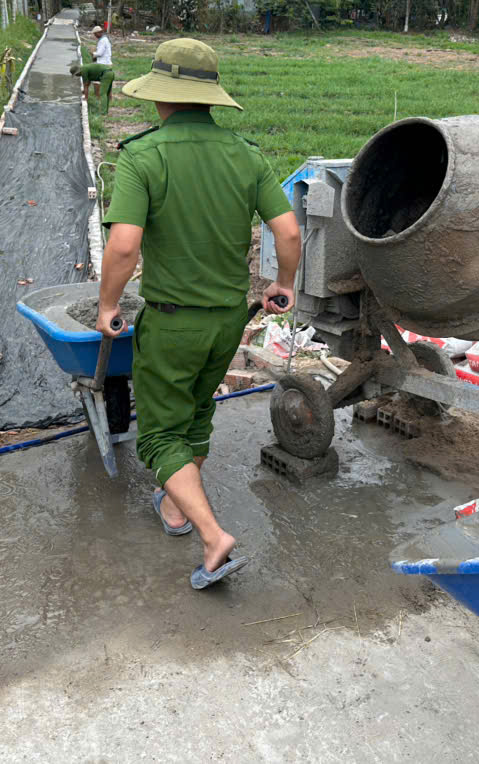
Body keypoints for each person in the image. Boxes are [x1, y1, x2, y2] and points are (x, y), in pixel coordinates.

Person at [96, 37, 302, 590]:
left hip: (173, 320)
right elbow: (288, 232)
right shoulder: (246, 155)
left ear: (160, 95)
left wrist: (109, 305)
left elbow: (123, 246)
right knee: (196, 410)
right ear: (210, 97)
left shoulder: (143, 155)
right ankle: (174, 506)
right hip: (228, 318)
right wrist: (283, 283)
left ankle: (213, 537)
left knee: (160, 433)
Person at [70, 24, 115, 113]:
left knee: (102, 91)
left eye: (95, 34)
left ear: (99, 33)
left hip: (104, 63)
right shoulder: (103, 40)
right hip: (106, 67)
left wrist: (93, 53)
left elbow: (100, 53)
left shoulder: (103, 41)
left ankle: (102, 108)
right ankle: (107, 101)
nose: (94, 36)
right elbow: (87, 83)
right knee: (106, 88)